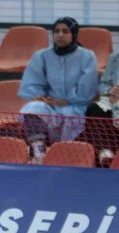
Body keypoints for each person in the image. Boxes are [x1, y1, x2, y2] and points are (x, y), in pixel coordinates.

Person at [18, 17, 99, 163]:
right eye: (57, 31)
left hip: (77, 106)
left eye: (65, 31)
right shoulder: (42, 56)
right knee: (32, 108)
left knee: (72, 116)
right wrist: (39, 96)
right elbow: (33, 82)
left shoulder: (87, 56)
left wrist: (65, 101)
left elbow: (87, 88)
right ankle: (39, 153)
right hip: (51, 106)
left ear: (74, 34)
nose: (60, 35)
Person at [82, 51, 119, 165]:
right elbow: (103, 84)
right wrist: (110, 91)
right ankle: (105, 151)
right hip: (114, 100)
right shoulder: (115, 57)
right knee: (94, 108)